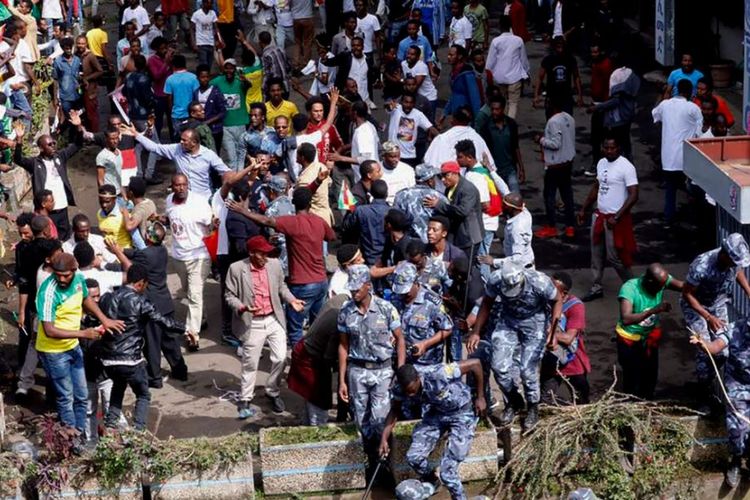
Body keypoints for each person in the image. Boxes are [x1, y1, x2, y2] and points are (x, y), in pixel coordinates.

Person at [227, 187, 337, 346]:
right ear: (310, 204)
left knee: (295, 329)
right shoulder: (319, 221)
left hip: (302, 284)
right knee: (316, 326)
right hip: (321, 282)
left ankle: (297, 363)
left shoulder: (292, 222)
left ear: (293, 204)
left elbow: (266, 221)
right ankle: (313, 362)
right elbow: (332, 237)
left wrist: (243, 211)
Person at [36, 253, 124, 450]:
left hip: (72, 346)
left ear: (74, 271)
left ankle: (82, 436)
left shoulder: (78, 281)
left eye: (66, 275)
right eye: (58, 275)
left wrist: (104, 319)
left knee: (82, 395)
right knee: (66, 397)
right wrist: (83, 333)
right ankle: (72, 440)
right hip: (53, 351)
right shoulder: (48, 292)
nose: (62, 279)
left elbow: (85, 299)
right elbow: (49, 330)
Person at [468, 261, 562, 430]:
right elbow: (487, 303)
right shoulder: (496, 279)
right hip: (508, 320)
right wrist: (476, 331)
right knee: (498, 367)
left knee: (528, 370)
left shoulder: (539, 281)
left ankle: (533, 407)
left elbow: (557, 300)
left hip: (535, 321)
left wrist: (553, 332)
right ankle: (514, 400)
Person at [380, 361, 486, 500]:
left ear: (418, 378)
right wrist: (384, 438)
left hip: (461, 413)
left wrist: (480, 397)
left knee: (447, 473)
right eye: (407, 392)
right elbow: (394, 410)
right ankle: (432, 480)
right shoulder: (399, 386)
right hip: (436, 414)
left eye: (412, 390)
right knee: (414, 458)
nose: (410, 395)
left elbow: (476, 364)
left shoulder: (438, 373)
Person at [98, 264, 186, 431]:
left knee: (118, 389)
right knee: (143, 395)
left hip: (109, 360)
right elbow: (163, 321)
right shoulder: (140, 301)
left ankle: (110, 427)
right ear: (140, 283)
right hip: (130, 360)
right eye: (145, 285)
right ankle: (138, 433)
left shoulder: (107, 298)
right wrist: (186, 329)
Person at [225, 235, 304, 418]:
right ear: (252, 253)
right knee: (250, 363)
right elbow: (229, 296)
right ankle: (245, 397)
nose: (266, 257)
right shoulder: (236, 269)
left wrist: (291, 300)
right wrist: (243, 307)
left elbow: (281, 287)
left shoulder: (274, 265)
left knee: (280, 357)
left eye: (267, 253)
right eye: (262, 254)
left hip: (273, 318)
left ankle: (272, 391)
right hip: (252, 322)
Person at [338, 264, 406, 475]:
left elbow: (400, 339)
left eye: (356, 289)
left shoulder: (386, 309)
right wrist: (342, 380)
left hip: (382, 371)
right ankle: (368, 460)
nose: (353, 293)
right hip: (357, 372)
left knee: (380, 418)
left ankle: (383, 460)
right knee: (361, 420)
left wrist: (401, 371)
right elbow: (343, 346)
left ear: (368, 286)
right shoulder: (345, 311)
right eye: (351, 289)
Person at [681, 233, 750, 412]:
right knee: (707, 353)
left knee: (724, 353)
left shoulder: (733, 263)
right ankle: (703, 394)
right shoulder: (702, 265)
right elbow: (687, 294)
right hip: (697, 307)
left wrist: (748, 290)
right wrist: (708, 317)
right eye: (733, 260)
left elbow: (738, 271)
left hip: (718, 304)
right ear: (725, 254)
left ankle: (710, 380)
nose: (735, 264)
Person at [690, 318, 750, 488]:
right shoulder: (734, 329)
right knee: (736, 428)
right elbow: (715, 347)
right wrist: (702, 344)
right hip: (738, 386)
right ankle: (735, 461)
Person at [579, 136, 639, 302]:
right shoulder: (601, 163)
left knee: (615, 257)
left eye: (612, 148)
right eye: (606, 147)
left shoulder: (626, 167)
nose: (609, 151)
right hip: (599, 216)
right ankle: (596, 286)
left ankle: (633, 286)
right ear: (602, 147)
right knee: (596, 254)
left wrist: (617, 217)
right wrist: (584, 208)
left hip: (615, 219)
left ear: (618, 148)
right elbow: (597, 186)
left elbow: (634, 194)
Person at [121, 121, 243, 198]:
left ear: (194, 143)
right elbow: (155, 147)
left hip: (203, 199)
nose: (181, 142)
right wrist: (136, 134)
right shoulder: (176, 149)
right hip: (184, 198)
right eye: (181, 139)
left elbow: (226, 172)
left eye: (185, 140)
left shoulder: (209, 155)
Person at [615, 263, 683, 400]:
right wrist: (653, 310)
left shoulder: (661, 280)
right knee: (632, 377)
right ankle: (630, 407)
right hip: (629, 340)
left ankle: (647, 403)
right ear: (649, 281)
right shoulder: (629, 289)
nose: (662, 289)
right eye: (660, 286)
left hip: (649, 338)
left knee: (650, 375)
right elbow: (626, 319)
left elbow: (683, 286)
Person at [162, 173, 212, 351]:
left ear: (188, 185)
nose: (181, 188)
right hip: (178, 257)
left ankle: (192, 334)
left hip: (199, 256)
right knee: (190, 292)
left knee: (195, 295)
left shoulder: (199, 203)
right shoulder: (169, 201)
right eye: (177, 185)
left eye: (184, 185)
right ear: (172, 187)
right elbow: (170, 220)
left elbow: (210, 226)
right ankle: (202, 318)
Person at [12, 122, 82, 241]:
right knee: (49, 238)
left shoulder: (60, 156)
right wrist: (19, 140)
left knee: (65, 238)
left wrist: (79, 126)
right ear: (41, 148)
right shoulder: (34, 163)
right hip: (47, 211)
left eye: (54, 143)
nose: (53, 146)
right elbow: (18, 159)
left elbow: (78, 145)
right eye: (49, 144)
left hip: (62, 207)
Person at [288, 293, 350, 424]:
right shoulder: (340, 323)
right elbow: (328, 358)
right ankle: (318, 430)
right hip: (309, 357)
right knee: (319, 398)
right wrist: (342, 372)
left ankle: (307, 424)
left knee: (311, 397)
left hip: (307, 349)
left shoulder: (341, 302)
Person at [651, 79, 702, 226]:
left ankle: (669, 217)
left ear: (677, 90)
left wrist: (663, 95)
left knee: (670, 189)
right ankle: (693, 219)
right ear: (690, 92)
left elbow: (655, 115)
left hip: (668, 157)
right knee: (692, 189)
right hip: (687, 157)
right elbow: (699, 133)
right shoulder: (693, 108)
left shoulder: (665, 105)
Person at [391, 262, 452, 369]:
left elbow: (447, 329)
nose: (403, 294)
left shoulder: (432, 302)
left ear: (416, 282)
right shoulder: (395, 299)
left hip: (426, 363)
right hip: (400, 361)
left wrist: (425, 344)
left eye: (406, 290)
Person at [540, 272, 590, 404]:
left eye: (553, 288)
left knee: (581, 399)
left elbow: (568, 338)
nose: (548, 291)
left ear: (564, 293)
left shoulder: (576, 307)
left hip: (572, 361)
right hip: (551, 360)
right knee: (545, 399)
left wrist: (544, 333)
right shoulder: (544, 302)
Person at [534, 97, 576, 239]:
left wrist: (540, 140)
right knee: (567, 195)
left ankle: (552, 226)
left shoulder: (553, 121)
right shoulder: (569, 118)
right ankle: (570, 226)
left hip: (555, 164)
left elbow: (556, 143)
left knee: (549, 196)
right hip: (568, 162)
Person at [425, 161, 483, 259]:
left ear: (455, 173)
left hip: (469, 236)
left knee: (466, 267)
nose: (443, 180)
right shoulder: (449, 188)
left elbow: (462, 211)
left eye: (446, 175)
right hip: (456, 235)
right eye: (440, 177)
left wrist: (439, 204)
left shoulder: (468, 189)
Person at [478, 94, 524, 193]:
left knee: (515, 197)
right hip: (494, 171)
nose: (494, 112)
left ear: (503, 109)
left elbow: (516, 147)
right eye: (492, 109)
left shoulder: (511, 125)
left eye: (497, 109)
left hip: (510, 169)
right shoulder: (485, 128)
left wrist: (521, 168)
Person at [486, 16, 529, 120]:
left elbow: (489, 63)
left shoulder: (496, 41)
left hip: (500, 77)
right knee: (513, 104)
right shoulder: (518, 40)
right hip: (515, 77)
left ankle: (502, 125)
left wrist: (488, 78)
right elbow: (523, 60)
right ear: (511, 25)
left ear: (500, 26)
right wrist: (527, 73)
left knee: (502, 103)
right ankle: (510, 125)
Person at [393, 164, 446, 243]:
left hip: (408, 242)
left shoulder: (401, 195)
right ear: (430, 181)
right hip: (431, 243)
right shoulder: (439, 197)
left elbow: (395, 220)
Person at [342, 179, 390, 266]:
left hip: (368, 257)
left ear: (371, 193)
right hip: (387, 259)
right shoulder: (393, 211)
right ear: (387, 194)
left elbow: (346, 226)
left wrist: (350, 210)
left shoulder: (361, 211)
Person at [480, 193, 534, 269]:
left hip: (520, 270)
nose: (502, 206)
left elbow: (517, 259)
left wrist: (493, 261)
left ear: (511, 208)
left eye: (504, 205)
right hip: (527, 261)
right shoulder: (524, 212)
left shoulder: (516, 229)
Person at [533, 36, 583, 118]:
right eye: (558, 45)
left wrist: (580, 96)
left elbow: (576, 77)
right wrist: (536, 96)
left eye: (562, 45)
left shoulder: (570, 59)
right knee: (552, 123)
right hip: (552, 97)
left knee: (566, 122)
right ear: (554, 46)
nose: (560, 48)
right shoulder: (548, 60)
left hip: (566, 97)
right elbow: (539, 78)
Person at [386, 94, 437, 166]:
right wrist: (389, 104)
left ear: (414, 104)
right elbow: (387, 106)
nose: (408, 105)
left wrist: (441, 137)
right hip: (393, 153)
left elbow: (430, 128)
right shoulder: (396, 109)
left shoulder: (418, 114)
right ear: (401, 102)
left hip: (408, 156)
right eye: (406, 102)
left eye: (411, 103)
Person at [442, 44, 482, 121]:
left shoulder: (467, 74)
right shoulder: (453, 72)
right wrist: (444, 113)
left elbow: (474, 97)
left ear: (459, 56)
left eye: (451, 55)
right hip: (456, 115)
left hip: (466, 116)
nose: (448, 57)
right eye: (448, 55)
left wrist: (477, 120)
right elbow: (454, 95)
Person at [163, 55, 200, 137]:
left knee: (179, 138)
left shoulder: (170, 79)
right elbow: (196, 96)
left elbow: (169, 99)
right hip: (191, 114)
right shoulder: (193, 78)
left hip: (176, 114)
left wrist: (171, 112)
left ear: (173, 65)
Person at [194, 64, 227, 150]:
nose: (205, 79)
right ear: (198, 78)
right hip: (200, 130)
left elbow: (223, 112)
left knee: (214, 154)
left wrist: (208, 121)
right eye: (202, 77)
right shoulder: (196, 93)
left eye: (207, 77)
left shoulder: (216, 92)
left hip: (215, 130)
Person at [190, 0, 222, 68]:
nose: (210, 4)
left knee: (209, 63)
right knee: (203, 63)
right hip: (201, 42)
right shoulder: (196, 14)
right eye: (208, 3)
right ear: (204, 3)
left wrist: (220, 39)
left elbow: (216, 28)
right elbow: (192, 29)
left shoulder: (213, 13)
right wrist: (193, 42)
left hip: (210, 42)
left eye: (211, 3)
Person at [291, 0, 314, 72]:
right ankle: (305, 63)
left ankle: (296, 63)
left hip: (296, 18)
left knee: (297, 42)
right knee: (307, 42)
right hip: (308, 17)